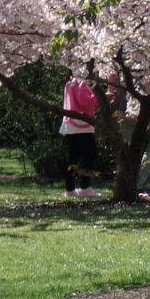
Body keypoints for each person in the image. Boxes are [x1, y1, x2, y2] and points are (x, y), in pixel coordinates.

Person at [60, 62, 100, 198]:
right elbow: (85, 101)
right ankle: (85, 186)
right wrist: (95, 96)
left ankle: (70, 189)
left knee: (73, 157)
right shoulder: (81, 82)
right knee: (90, 154)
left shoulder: (69, 83)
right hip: (82, 124)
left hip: (70, 123)